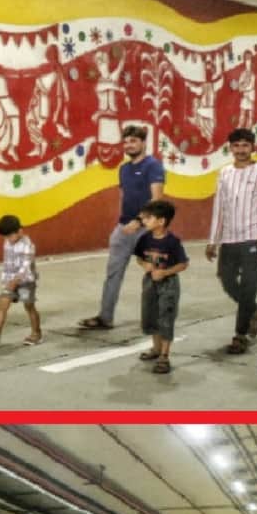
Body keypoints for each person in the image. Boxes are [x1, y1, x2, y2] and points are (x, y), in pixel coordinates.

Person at [206, 128, 257, 355]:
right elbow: (218, 208)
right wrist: (213, 240)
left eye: (245, 146)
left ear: (253, 147)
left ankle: (240, 335)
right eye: (236, 146)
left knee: (249, 287)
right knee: (227, 280)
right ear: (230, 148)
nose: (241, 150)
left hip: (253, 238)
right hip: (229, 240)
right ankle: (256, 310)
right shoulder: (224, 173)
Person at [79, 125, 166, 331]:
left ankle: (158, 319)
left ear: (143, 143)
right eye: (126, 141)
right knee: (113, 274)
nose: (129, 145)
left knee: (155, 274)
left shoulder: (153, 166)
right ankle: (105, 317)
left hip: (146, 229)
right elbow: (125, 196)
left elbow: (157, 199)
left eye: (134, 141)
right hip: (124, 228)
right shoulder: (124, 169)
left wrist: (139, 220)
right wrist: (124, 223)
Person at [132, 200, 189, 375]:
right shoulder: (144, 238)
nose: (144, 222)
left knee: (166, 317)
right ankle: (156, 349)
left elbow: (183, 264)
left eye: (148, 218)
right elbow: (139, 257)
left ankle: (164, 355)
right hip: (150, 283)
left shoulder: (172, 242)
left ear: (161, 221)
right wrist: (144, 265)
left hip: (168, 284)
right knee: (150, 315)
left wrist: (165, 273)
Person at [0, 215, 41, 349]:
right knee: (2, 306)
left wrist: (15, 281)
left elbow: (25, 267)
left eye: (9, 236)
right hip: (9, 282)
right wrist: (6, 281)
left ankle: (36, 333)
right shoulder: (8, 242)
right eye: (5, 237)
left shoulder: (28, 245)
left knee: (29, 306)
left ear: (20, 231)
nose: (7, 239)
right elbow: (7, 263)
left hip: (25, 282)